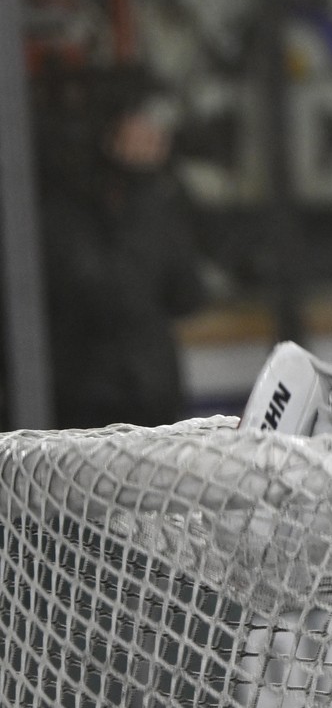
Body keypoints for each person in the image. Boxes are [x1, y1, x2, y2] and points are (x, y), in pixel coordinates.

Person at [32, 57, 210, 429]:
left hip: (151, 403)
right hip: (84, 411)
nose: (155, 137)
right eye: (143, 123)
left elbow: (187, 295)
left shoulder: (158, 200)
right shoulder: (64, 210)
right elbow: (103, 291)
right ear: (111, 131)